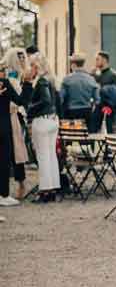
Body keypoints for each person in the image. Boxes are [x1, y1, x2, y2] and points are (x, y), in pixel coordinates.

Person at [27, 54, 61, 203]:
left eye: (31, 66)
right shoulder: (51, 80)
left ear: (36, 66)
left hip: (42, 120)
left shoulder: (40, 81)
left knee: (43, 157)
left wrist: (29, 108)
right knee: (51, 155)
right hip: (53, 120)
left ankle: (45, 190)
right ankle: (53, 188)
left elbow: (45, 100)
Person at [0, 61, 33, 206]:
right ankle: (3, 194)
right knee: (4, 161)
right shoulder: (3, 83)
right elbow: (21, 101)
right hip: (3, 127)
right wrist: (27, 83)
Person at [60, 52, 100, 128]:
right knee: (86, 136)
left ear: (73, 65)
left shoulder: (67, 80)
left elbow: (61, 98)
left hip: (71, 113)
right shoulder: (91, 79)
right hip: (87, 112)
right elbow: (97, 99)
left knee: (70, 136)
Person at [93, 51, 116, 133]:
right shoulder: (96, 75)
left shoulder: (113, 76)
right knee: (93, 130)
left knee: (109, 132)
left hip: (109, 110)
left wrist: (113, 107)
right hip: (98, 109)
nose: (95, 61)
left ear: (104, 60)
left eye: (97, 59)